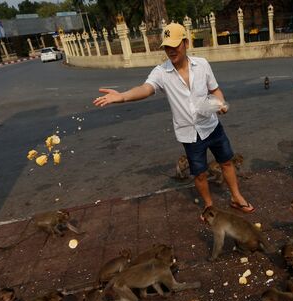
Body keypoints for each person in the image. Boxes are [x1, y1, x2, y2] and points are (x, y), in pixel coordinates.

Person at [93, 23, 253, 216]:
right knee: (200, 173)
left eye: (174, 45)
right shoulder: (161, 72)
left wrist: (220, 103)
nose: (170, 50)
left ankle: (236, 197)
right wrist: (123, 96)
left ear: (186, 43)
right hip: (189, 133)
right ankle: (209, 206)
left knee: (226, 161)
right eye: (167, 46)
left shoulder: (202, 64)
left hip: (212, 126)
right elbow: (146, 88)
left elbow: (215, 89)